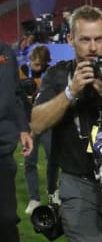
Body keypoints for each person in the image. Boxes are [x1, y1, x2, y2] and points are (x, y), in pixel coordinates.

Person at [30, 5, 102, 242]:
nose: (92, 47)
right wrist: (70, 92)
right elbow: (36, 124)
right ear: (70, 39)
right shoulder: (59, 75)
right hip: (77, 182)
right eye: (85, 39)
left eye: (99, 39)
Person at [19, 45, 60, 214]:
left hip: (46, 122)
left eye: (39, 65)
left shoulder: (51, 73)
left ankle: (52, 193)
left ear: (45, 63)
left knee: (53, 158)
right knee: (30, 162)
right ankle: (34, 199)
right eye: (33, 63)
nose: (35, 67)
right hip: (28, 124)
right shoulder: (21, 71)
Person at [0, 40, 33, 242]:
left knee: (6, 219)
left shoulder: (6, 52)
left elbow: (17, 94)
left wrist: (23, 127)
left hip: (2, 148)